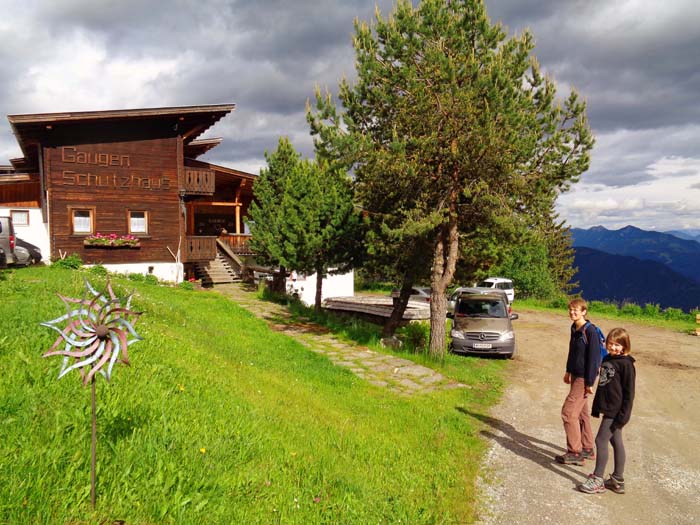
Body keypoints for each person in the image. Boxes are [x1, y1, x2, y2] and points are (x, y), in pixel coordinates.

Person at [578, 327, 636, 494]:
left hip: (616, 411)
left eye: (617, 345)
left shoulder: (627, 365)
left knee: (600, 440)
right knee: (615, 441)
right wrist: (597, 407)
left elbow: (629, 394)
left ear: (625, 346)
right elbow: (604, 385)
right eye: (610, 343)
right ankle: (618, 480)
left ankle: (597, 479)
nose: (613, 347)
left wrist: (623, 416)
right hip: (608, 407)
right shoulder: (608, 358)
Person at [555, 298, 602, 465]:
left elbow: (594, 359)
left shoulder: (591, 331)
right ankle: (588, 449)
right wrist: (568, 371)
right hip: (575, 375)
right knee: (581, 414)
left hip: (583, 378)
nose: (572, 312)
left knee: (568, 413)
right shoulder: (574, 328)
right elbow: (572, 352)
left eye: (576, 310)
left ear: (584, 312)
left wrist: (589, 382)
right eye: (570, 310)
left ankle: (575, 452)